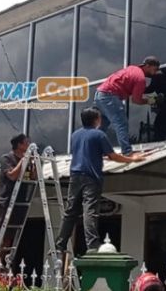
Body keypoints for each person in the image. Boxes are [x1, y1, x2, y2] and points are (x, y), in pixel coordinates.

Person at [55, 107, 146, 254]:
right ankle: (92, 245)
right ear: (96, 119)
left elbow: (87, 153)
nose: (101, 120)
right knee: (89, 210)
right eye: (99, 117)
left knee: (70, 211)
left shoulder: (75, 135)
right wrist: (131, 159)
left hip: (75, 175)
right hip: (91, 177)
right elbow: (113, 156)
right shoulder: (99, 135)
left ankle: (60, 244)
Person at [95, 56, 161, 156]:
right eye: (155, 69)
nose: (155, 73)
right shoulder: (140, 79)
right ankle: (127, 151)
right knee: (121, 123)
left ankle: (92, 150)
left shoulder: (132, 68)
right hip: (109, 96)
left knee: (103, 126)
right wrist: (150, 101)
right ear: (147, 66)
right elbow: (136, 100)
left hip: (100, 94)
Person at [0, 133, 36, 262]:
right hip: (7, 199)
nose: (28, 145)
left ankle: (3, 259)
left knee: (11, 232)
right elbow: (12, 176)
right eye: (26, 143)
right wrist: (23, 160)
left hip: (20, 200)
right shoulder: (7, 158)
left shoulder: (27, 160)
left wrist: (33, 163)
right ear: (19, 145)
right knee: (0, 230)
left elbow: (32, 178)